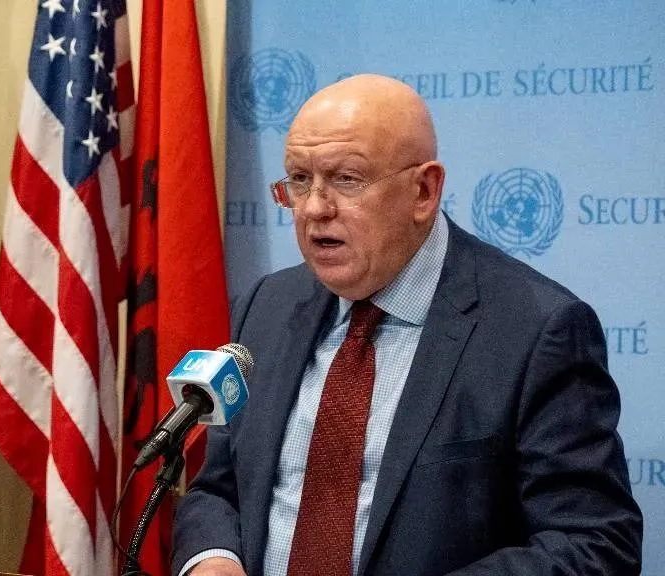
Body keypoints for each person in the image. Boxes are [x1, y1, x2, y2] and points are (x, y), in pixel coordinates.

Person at [172, 74, 642, 576]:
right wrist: (212, 558)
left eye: (346, 179)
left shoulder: (537, 330)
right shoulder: (268, 304)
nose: (314, 208)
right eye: (300, 179)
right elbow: (218, 487)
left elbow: (594, 542)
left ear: (424, 190)